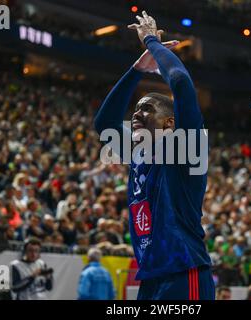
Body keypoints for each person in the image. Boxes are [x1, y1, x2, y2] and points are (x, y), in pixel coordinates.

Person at [94, 10, 214, 300]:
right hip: (150, 277)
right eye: (136, 109)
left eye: (147, 109)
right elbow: (104, 124)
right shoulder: (138, 154)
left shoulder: (185, 149)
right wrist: (137, 70)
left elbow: (182, 84)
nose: (136, 113)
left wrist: (151, 42)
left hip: (184, 272)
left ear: (170, 124)